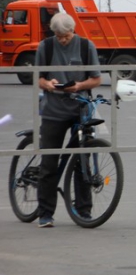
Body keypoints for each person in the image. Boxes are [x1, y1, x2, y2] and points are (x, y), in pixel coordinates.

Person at [35, 12, 102, 227]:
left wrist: (80, 86)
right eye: (59, 36)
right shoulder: (45, 47)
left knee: (82, 163)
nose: (63, 40)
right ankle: (45, 213)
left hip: (80, 110)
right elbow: (39, 77)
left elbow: (96, 79)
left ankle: (84, 211)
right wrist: (47, 84)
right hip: (53, 111)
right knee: (49, 163)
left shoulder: (86, 46)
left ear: (73, 30)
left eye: (66, 36)